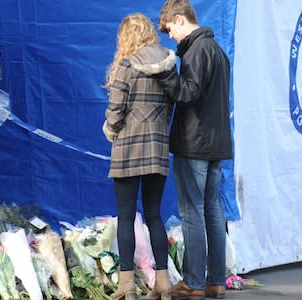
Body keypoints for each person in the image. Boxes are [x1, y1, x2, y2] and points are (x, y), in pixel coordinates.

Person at [149, 0, 233, 299]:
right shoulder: (218, 51)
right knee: (212, 210)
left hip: (194, 143)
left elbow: (188, 92)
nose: (170, 36)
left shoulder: (195, 51)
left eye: (170, 29)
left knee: (192, 212)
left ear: (180, 20)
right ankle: (217, 282)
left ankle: (194, 283)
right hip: (217, 144)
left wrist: (165, 72)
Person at [102, 13, 177, 300]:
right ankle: (163, 283)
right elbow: (171, 108)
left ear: (127, 37)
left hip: (128, 149)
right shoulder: (169, 66)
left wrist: (111, 129)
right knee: (155, 215)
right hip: (157, 147)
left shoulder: (126, 65)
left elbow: (115, 110)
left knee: (126, 216)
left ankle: (127, 286)